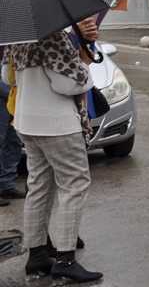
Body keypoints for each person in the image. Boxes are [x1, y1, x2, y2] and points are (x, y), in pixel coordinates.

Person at [7, 18, 102, 282]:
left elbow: (7, 76)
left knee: (39, 185)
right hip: (56, 124)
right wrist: (84, 59)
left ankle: (36, 255)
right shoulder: (53, 36)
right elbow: (71, 83)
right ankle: (65, 259)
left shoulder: (17, 37)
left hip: (26, 120)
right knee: (75, 184)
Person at [0, 47, 25, 206]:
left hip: (14, 95)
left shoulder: (14, 32)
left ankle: (6, 185)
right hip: (6, 93)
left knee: (13, 140)